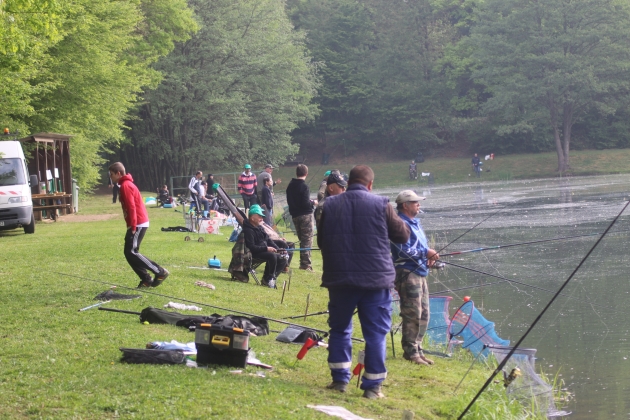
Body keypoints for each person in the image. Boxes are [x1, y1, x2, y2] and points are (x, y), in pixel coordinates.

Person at [317, 165, 410, 399]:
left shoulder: (330, 205)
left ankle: (340, 380)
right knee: (376, 333)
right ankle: (373, 387)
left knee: (339, 329)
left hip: (340, 279)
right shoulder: (381, 204)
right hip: (375, 280)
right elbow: (402, 235)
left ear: (348, 183)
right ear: (370, 184)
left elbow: (321, 241)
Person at [390, 190, 439, 366]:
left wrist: (429, 258)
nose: (419, 204)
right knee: (413, 313)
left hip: (420, 272)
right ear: (405, 205)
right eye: (415, 202)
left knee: (424, 313)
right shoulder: (399, 224)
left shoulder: (415, 223)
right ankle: (410, 352)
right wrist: (426, 252)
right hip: (407, 272)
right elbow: (403, 251)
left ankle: (418, 349)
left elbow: (420, 248)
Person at [108, 162, 169, 288]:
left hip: (138, 223)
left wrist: (133, 226)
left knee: (131, 251)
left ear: (118, 173)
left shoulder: (126, 186)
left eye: (112, 174)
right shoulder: (125, 185)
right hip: (137, 222)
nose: (111, 177)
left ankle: (160, 272)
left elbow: (132, 207)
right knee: (129, 252)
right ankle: (146, 279)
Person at [242, 204, 287, 288]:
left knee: (283, 257)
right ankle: (269, 279)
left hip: (262, 251)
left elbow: (268, 240)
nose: (262, 218)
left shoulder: (260, 228)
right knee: (272, 256)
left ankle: (268, 278)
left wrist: (278, 250)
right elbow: (252, 247)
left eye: (262, 216)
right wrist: (266, 249)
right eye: (259, 216)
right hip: (253, 253)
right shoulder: (248, 231)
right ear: (252, 218)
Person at [286, 164, 317, 271]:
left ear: (296, 173)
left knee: (302, 239)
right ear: (306, 174)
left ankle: (303, 263)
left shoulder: (290, 185)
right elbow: (305, 204)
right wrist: (313, 202)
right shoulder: (304, 186)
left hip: (295, 215)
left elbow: (290, 201)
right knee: (307, 240)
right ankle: (305, 264)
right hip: (305, 215)